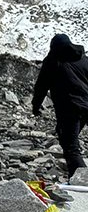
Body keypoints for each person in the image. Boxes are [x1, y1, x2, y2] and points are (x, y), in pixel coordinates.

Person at [33, 33, 88, 177]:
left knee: (70, 147)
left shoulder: (53, 59)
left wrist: (36, 106)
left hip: (69, 107)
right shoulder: (84, 59)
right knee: (69, 138)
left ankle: (81, 180)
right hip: (86, 105)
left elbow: (41, 85)